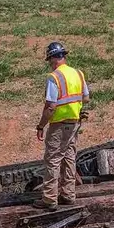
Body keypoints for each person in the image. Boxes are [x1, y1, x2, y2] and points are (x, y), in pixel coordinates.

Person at [33, 41, 90, 211]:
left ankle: (50, 199)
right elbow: (85, 98)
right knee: (69, 158)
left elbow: (51, 106)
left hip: (58, 124)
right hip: (74, 123)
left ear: (52, 58)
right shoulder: (78, 74)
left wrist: (41, 125)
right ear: (63, 56)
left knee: (53, 160)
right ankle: (68, 195)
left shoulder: (54, 77)